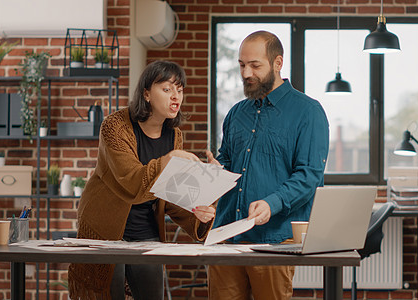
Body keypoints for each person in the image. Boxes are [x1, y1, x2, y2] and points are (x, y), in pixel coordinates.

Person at [68, 60, 215, 300]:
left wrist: (197, 210)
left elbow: (169, 192)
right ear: (146, 93)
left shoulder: (174, 135)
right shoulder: (115, 126)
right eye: (167, 89)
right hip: (106, 230)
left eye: (180, 89)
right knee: (106, 294)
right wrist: (167, 161)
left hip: (146, 231)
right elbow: (132, 182)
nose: (176, 96)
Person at [206, 31, 329, 300]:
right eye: (241, 65)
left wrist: (271, 204)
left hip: (272, 239)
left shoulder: (308, 112)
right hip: (225, 235)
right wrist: (213, 174)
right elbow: (228, 161)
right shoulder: (236, 113)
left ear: (277, 63)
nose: (246, 73)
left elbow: (309, 176)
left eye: (255, 65)